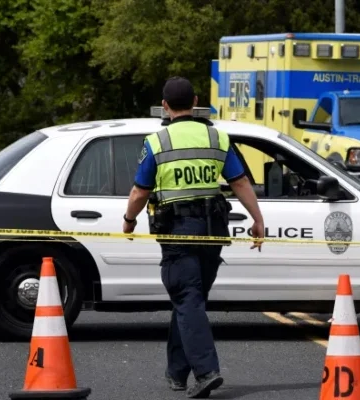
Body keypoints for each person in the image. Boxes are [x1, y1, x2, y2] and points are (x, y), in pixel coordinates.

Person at [122, 76, 265, 398]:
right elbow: (240, 182)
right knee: (191, 300)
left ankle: (206, 371)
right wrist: (258, 220)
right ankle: (176, 373)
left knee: (188, 299)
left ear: (165, 106)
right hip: (214, 232)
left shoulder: (157, 141)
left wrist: (129, 220)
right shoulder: (218, 137)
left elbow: (139, 191)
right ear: (196, 100)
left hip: (178, 233)